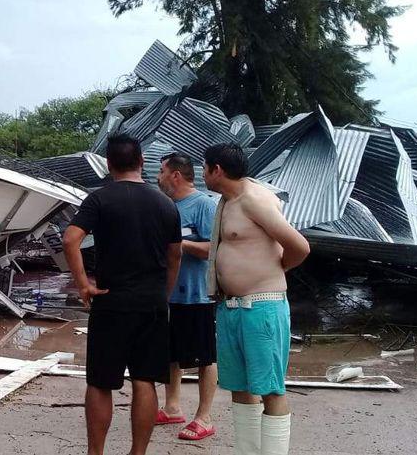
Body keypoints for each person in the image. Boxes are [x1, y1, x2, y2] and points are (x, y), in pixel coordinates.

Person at [62, 134, 182, 455]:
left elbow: (70, 239)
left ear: (109, 164)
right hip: (152, 304)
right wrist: (164, 293)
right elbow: (175, 256)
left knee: (101, 383)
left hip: (111, 301)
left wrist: (83, 284)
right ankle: (137, 453)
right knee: (145, 380)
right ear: (141, 162)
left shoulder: (99, 199)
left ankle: (96, 452)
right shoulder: (166, 204)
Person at [202, 143, 310, 455]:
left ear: (217, 170)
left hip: (261, 306)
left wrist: (275, 269)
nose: (203, 174)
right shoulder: (229, 201)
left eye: (205, 167)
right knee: (240, 387)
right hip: (232, 307)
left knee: (271, 389)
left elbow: (299, 246)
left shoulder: (253, 200)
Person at [156, 153, 219, 441]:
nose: (157, 178)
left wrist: (180, 244)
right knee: (169, 354)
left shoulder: (204, 204)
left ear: (176, 176)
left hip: (197, 295)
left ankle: (204, 417)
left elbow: (212, 249)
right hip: (169, 293)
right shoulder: (167, 207)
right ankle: (172, 407)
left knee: (205, 356)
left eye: (161, 172)